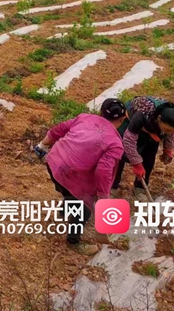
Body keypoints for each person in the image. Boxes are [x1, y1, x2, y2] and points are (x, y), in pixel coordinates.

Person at [34, 98, 127, 255]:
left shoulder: (84, 118)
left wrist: (42, 145)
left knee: (69, 192)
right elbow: (103, 171)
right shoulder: (115, 143)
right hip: (70, 175)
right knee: (85, 210)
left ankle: (64, 211)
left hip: (54, 163)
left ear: (100, 112)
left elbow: (59, 129)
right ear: (123, 119)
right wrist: (103, 198)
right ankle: (73, 241)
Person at [112, 96, 174, 197]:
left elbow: (173, 133)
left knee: (149, 158)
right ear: (159, 119)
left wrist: (168, 149)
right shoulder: (142, 114)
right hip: (129, 123)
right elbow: (128, 141)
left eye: (173, 131)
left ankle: (140, 188)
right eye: (167, 130)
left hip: (151, 129)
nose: (170, 133)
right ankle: (112, 185)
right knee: (119, 155)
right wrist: (136, 164)